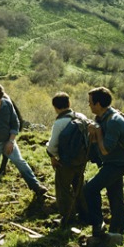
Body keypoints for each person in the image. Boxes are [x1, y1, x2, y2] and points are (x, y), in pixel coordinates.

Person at [0, 83, 48, 197]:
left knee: (19, 161)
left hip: (8, 141)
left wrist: (11, 141)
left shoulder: (7, 105)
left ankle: (36, 186)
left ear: (1, 98)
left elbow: (15, 123)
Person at [83, 87, 124, 244]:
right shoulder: (101, 118)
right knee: (115, 195)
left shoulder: (114, 121)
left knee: (90, 188)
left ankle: (98, 225)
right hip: (110, 162)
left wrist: (97, 133)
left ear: (98, 104)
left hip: (118, 164)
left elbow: (105, 150)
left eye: (90, 102)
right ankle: (119, 230)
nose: (88, 105)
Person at [46, 92, 89, 226]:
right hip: (81, 159)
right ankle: (85, 214)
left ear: (55, 107)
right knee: (80, 186)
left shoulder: (60, 122)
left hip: (65, 161)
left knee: (63, 188)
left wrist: (52, 157)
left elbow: (52, 145)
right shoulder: (82, 117)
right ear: (69, 104)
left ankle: (68, 217)